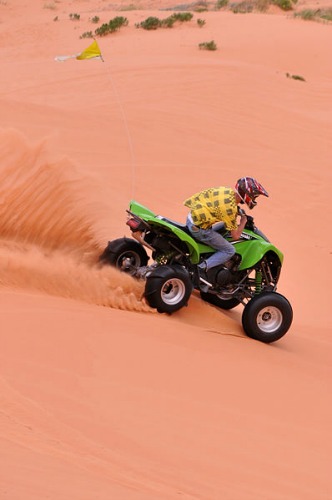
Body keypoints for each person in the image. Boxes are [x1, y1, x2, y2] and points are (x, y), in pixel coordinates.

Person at [184, 177, 269, 277]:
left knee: (222, 231)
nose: (254, 199)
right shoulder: (230, 210)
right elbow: (236, 236)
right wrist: (243, 222)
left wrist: (238, 211)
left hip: (192, 219)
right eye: (254, 197)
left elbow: (219, 204)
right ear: (247, 195)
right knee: (229, 250)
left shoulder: (226, 191)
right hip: (200, 229)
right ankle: (201, 268)